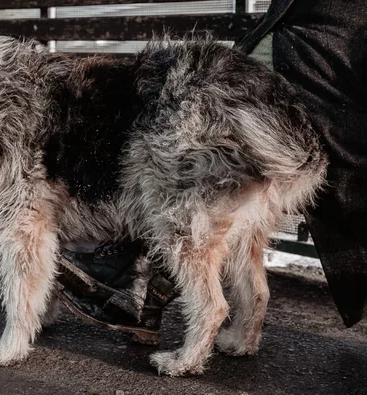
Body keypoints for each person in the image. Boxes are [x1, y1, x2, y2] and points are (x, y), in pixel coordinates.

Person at [58, 0, 367, 342]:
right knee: (243, 226)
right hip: (298, 75)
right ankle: (238, 327)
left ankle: (132, 280)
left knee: (185, 204)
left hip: (294, 75)